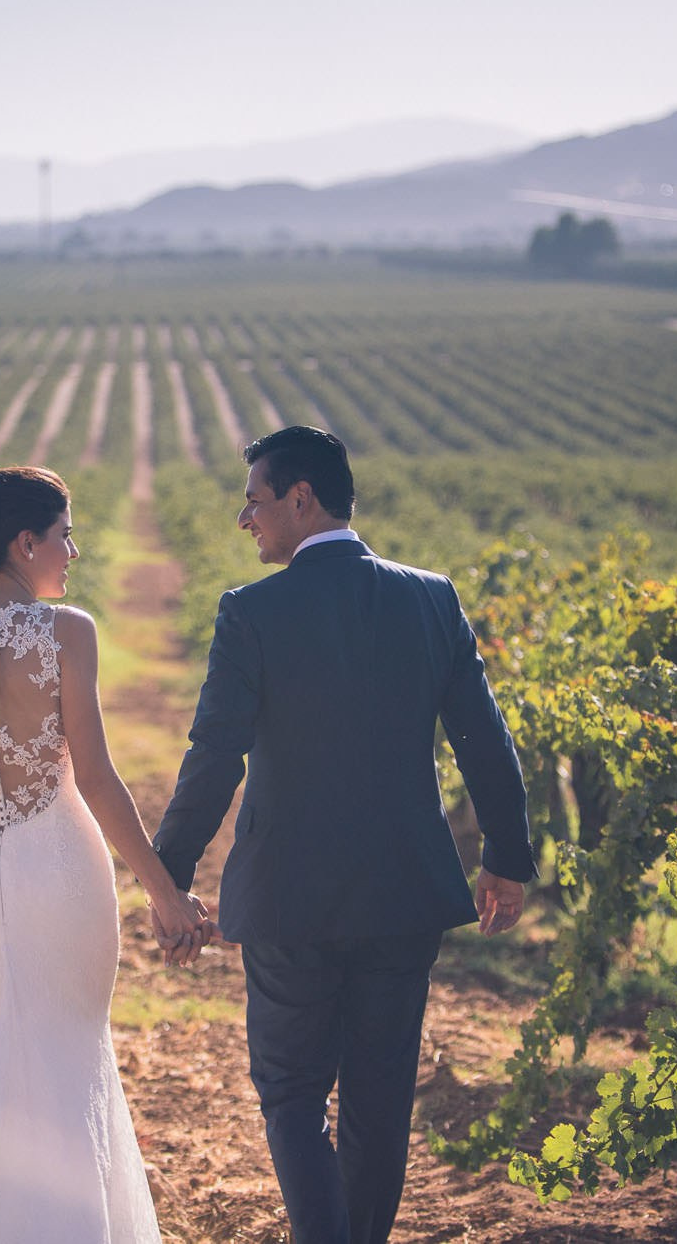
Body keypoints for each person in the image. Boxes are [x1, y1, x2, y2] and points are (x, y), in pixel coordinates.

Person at [153, 426, 535, 1244]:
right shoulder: (430, 597)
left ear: (301, 497)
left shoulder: (250, 611)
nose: (245, 518)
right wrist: (506, 857)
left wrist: (169, 874)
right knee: (379, 1098)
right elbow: (484, 737)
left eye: (254, 500)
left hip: (287, 900)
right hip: (403, 896)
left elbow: (215, 754)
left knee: (292, 1095)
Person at [0, 465, 209, 1244]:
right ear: (25, 543)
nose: (74, 551)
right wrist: (163, 891)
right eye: (64, 535)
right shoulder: (68, 631)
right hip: (59, 865)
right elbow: (92, 775)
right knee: (66, 1052)